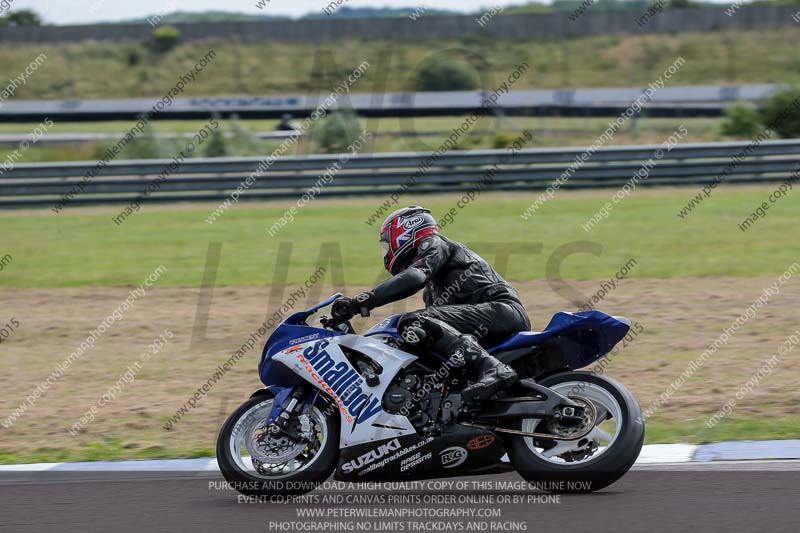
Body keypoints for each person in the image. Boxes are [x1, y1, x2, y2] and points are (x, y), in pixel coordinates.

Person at [331, 205, 531, 401]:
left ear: (405, 232)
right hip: (489, 320)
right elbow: (436, 339)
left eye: (386, 244)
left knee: (412, 321)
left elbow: (414, 277)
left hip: (502, 311)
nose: (385, 251)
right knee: (417, 335)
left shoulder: (435, 243)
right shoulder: (432, 291)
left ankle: (492, 368)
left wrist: (364, 301)